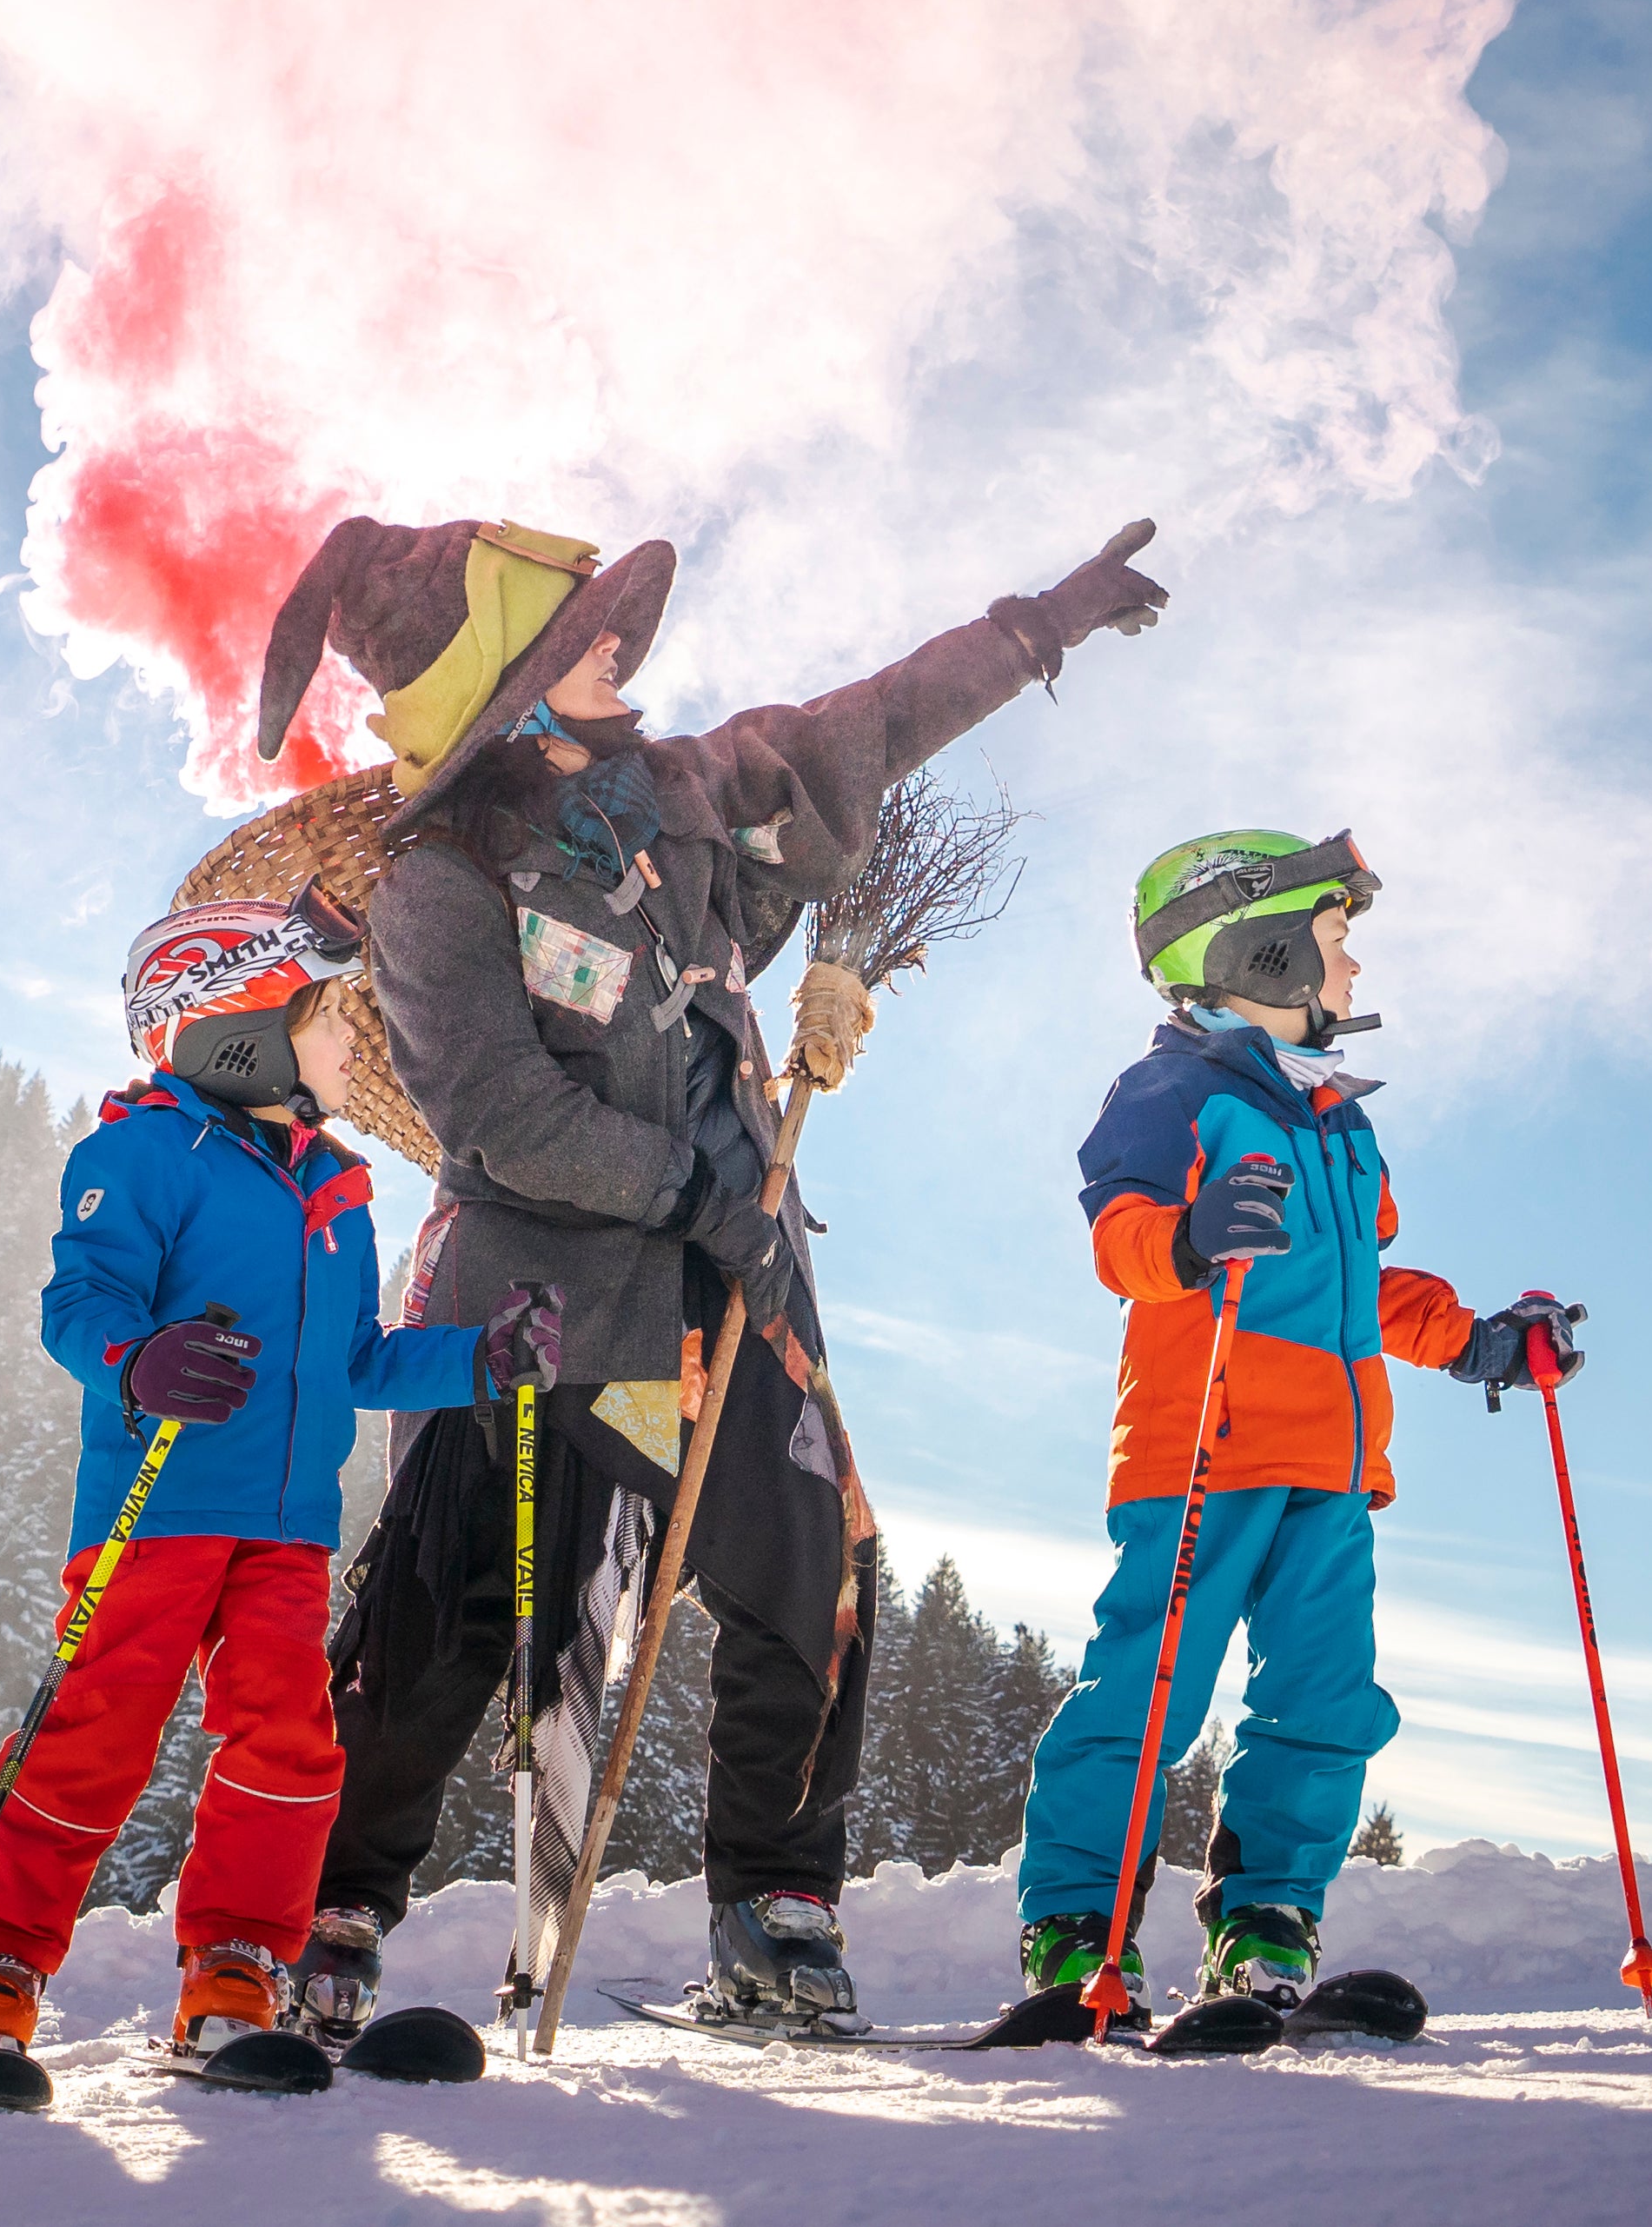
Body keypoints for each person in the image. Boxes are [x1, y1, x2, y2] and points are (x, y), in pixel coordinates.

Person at [251, 511, 1174, 2035]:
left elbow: (868, 724)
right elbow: (496, 1111)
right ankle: (332, 1906)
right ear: (517, 689)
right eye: (580, 635)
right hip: (538, 1302)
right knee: (464, 1611)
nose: (624, 642)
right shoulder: (436, 883)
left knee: (814, 1569)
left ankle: (773, 1905)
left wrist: (1035, 627)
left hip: (738, 1293)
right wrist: (691, 1187)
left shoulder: (684, 793)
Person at [0, 895, 565, 2100]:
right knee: (92, 1732)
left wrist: (482, 1354)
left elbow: (361, 1358)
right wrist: (140, 1359)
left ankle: (235, 1967)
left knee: (290, 1741)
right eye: (327, 1022)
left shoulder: (336, 1190)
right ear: (239, 1029)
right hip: (157, 1505)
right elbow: (80, 1301)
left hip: (287, 1529)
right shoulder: (142, 1152)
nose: (347, 1047)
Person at [1011, 830, 1589, 2024]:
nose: (1353, 969)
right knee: (1149, 1688)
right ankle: (1077, 1935)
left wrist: (1481, 1339)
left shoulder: (1340, 1123)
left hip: (1331, 1469)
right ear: (1259, 948)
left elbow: (1355, 1293)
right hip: (1203, 1451)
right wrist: (1189, 1232)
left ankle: (1265, 1922)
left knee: (1325, 1700)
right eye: (1335, 940)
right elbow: (1123, 1241)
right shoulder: (1170, 1093)